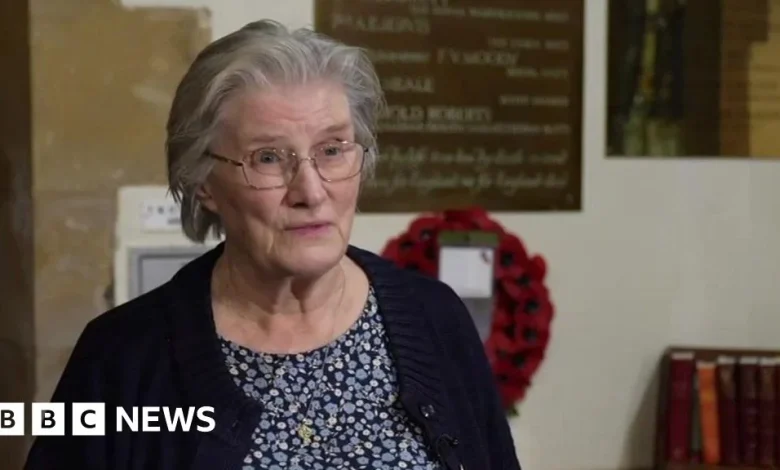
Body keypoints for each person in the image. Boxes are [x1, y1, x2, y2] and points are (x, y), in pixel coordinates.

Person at [25, 20, 521, 470]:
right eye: (267, 157)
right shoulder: (119, 357)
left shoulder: (436, 318)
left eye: (332, 150)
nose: (310, 191)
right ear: (203, 182)